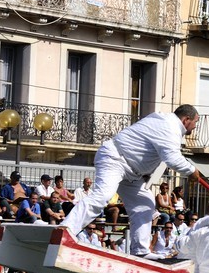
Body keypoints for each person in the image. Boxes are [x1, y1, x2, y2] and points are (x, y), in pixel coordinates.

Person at [62, 105, 200, 256]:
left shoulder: (165, 122)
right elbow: (172, 158)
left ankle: (140, 251)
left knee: (145, 204)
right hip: (115, 159)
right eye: (195, 122)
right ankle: (65, 230)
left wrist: (146, 171)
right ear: (186, 120)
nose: (195, 126)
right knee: (102, 196)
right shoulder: (170, 127)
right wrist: (193, 171)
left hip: (132, 173)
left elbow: (149, 150)